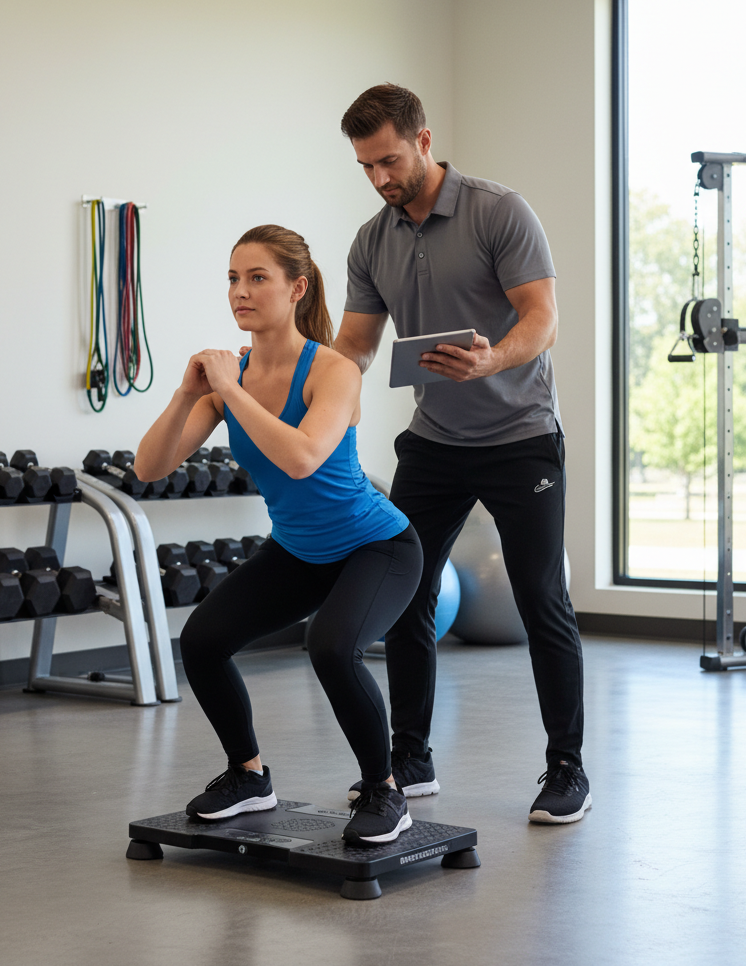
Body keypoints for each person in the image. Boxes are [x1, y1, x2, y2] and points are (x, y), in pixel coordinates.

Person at [334, 83, 589, 824]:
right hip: (435, 442)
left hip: (521, 439)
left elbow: (541, 319)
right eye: (365, 167)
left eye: (388, 160)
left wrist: (494, 359)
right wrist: (313, 412)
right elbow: (354, 346)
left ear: (422, 139)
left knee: (543, 600)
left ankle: (566, 768)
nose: (380, 179)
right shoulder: (371, 240)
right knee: (407, 594)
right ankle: (410, 758)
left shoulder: (498, 210)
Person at [134, 224, 424, 846]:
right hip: (298, 550)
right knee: (204, 640)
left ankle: (385, 790)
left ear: (297, 288)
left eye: (257, 277)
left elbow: (302, 458)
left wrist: (230, 390)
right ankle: (249, 775)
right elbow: (148, 467)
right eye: (233, 279)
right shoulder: (227, 382)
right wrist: (189, 394)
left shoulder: (335, 370)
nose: (240, 291)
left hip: (377, 547)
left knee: (331, 646)